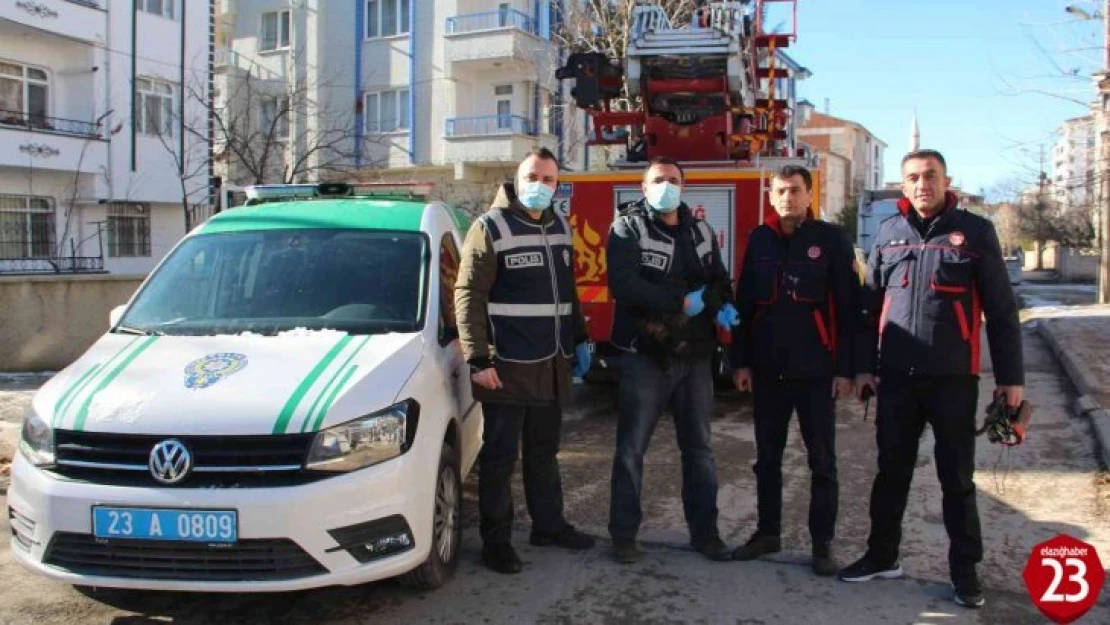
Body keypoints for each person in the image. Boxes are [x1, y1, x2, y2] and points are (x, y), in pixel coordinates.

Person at [839, 149, 1024, 609]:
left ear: (946, 181)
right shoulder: (888, 235)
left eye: (931, 176)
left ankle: (965, 572)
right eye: (914, 178)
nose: (923, 184)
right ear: (902, 186)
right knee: (891, 473)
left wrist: (1011, 379)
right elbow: (867, 311)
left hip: (953, 380)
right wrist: (864, 367)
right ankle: (882, 555)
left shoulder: (976, 233)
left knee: (956, 479)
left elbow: (1001, 311)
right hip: (897, 378)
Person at [455, 147, 595, 574]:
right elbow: (468, 294)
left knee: (544, 452)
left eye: (549, 179)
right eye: (533, 176)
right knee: (499, 458)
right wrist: (479, 359)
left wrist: (581, 338)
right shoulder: (490, 227)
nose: (541, 185)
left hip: (552, 363)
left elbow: (567, 290)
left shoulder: (559, 225)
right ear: (517, 179)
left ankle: (547, 526)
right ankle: (496, 542)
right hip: (507, 364)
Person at [606, 156, 738, 564]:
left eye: (673, 179)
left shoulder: (700, 229)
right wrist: (678, 301)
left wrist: (722, 305)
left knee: (699, 449)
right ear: (644, 188)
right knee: (631, 450)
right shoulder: (627, 228)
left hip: (695, 357)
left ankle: (705, 534)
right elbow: (623, 284)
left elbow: (717, 277)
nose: (666, 185)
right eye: (658, 180)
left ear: (685, 185)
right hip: (646, 355)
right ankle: (624, 536)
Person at [729, 165, 858, 576]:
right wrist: (741, 361)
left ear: (809, 194)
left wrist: (846, 369)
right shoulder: (760, 240)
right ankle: (768, 533)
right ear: (771, 197)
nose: (788, 198)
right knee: (767, 459)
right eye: (781, 191)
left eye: (796, 190)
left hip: (817, 373)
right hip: (768, 372)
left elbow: (849, 308)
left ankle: (822, 544)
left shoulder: (830, 240)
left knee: (822, 462)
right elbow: (744, 305)